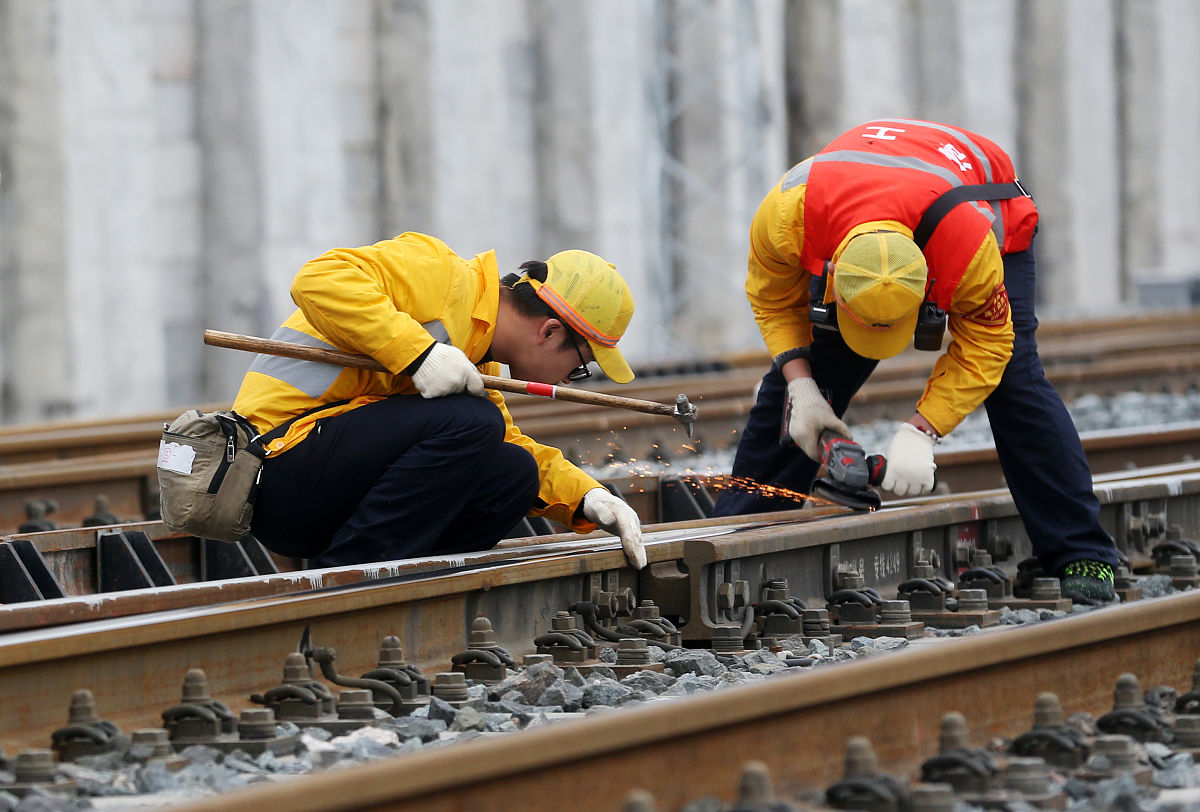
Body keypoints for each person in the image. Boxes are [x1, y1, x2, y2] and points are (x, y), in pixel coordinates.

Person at [712, 118, 1120, 604]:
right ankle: (739, 536)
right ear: (834, 274)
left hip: (979, 197)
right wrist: (801, 386)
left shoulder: (969, 252)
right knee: (813, 368)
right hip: (877, 193)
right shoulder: (788, 216)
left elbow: (989, 345)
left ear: (929, 289)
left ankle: (1082, 552)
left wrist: (922, 431)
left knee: (1015, 378)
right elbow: (774, 301)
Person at [231, 232, 646, 570]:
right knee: (477, 421)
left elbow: (505, 442)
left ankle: (405, 580)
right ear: (550, 332)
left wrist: (588, 497)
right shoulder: (439, 276)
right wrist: (418, 354)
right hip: (273, 469)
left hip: (321, 488)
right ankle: (349, 579)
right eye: (581, 365)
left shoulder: (478, 352)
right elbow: (317, 278)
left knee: (515, 472)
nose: (569, 379)